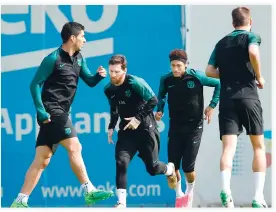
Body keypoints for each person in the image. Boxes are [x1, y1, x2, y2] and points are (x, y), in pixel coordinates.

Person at [11, 22, 114, 208]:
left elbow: (89, 81)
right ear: (72, 38)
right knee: (75, 146)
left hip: (61, 111)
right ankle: (88, 190)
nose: (85, 39)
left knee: (42, 159)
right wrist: (41, 110)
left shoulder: (79, 58)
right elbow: (34, 84)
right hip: (52, 110)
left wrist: (98, 76)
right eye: (82, 36)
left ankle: (20, 201)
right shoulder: (53, 58)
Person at [205, 6, 267, 208]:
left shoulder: (221, 43)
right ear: (250, 22)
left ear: (233, 24)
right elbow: (253, 53)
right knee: (258, 146)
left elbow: (209, 71)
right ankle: (258, 197)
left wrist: (229, 74)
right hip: (249, 97)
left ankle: (226, 190)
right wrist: (259, 76)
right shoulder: (252, 37)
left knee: (228, 148)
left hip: (228, 100)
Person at [104, 54, 177, 208]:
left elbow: (153, 100)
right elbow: (114, 108)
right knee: (121, 162)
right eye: (111, 71)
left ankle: (170, 170)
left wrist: (137, 119)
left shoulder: (135, 82)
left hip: (145, 129)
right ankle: (121, 203)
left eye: (116, 72)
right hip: (126, 131)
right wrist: (111, 126)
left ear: (125, 70)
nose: (113, 75)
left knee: (153, 168)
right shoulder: (108, 89)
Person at [155, 49, 220, 208]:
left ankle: (190, 190)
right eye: (173, 65)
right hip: (175, 126)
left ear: (185, 65)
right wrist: (160, 109)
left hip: (194, 127)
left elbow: (218, 83)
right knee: (173, 165)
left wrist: (211, 106)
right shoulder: (166, 79)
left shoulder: (196, 76)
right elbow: (161, 96)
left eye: (179, 65)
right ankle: (179, 195)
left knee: (188, 168)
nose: (175, 69)